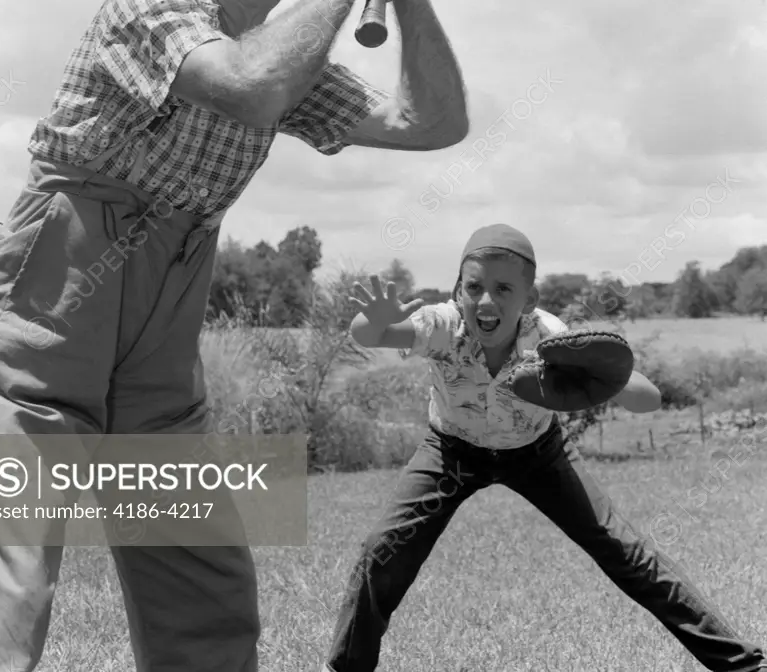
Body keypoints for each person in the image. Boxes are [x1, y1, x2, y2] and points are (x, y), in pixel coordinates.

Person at [0, 0, 468, 672]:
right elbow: (245, 84)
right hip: (51, 298)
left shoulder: (293, 56)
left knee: (203, 580)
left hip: (165, 312)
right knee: (16, 564)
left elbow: (434, 123)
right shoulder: (147, 7)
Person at [322, 223, 767, 672]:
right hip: (450, 453)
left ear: (529, 300)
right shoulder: (441, 325)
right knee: (384, 549)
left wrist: (607, 380)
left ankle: (744, 665)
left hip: (537, 454)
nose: (486, 301)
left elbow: (647, 398)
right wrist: (378, 317)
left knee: (626, 551)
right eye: (473, 287)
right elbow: (367, 334)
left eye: (503, 289)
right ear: (458, 291)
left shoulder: (550, 338)